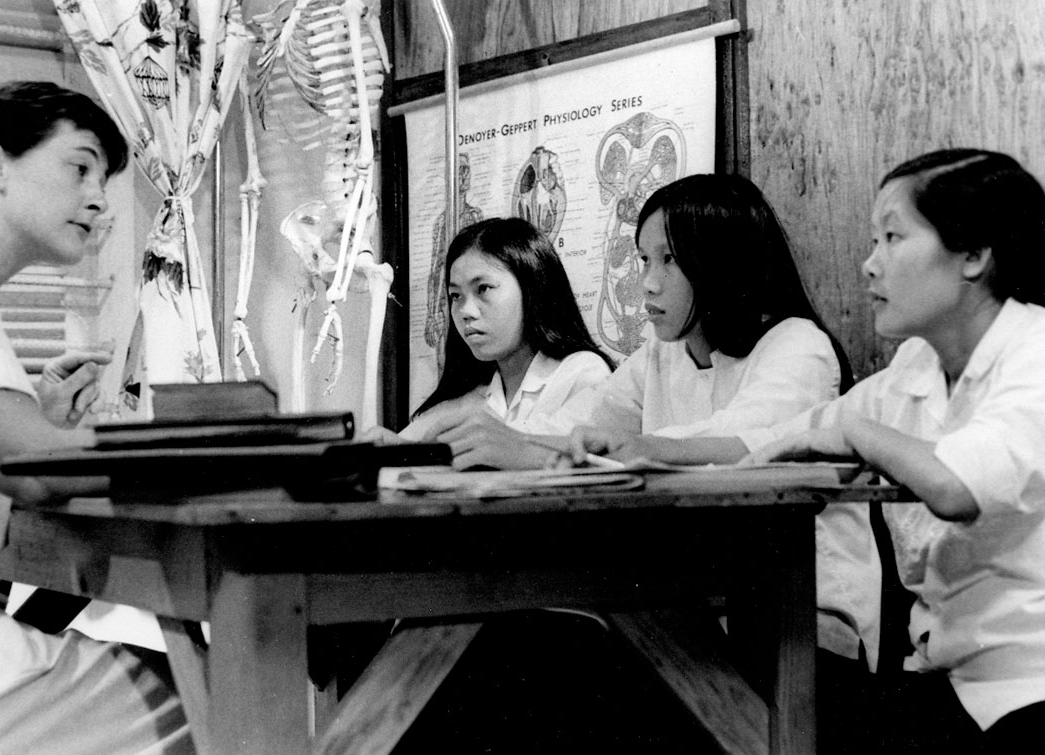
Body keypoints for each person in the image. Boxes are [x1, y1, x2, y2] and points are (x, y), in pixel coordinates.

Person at [399, 175, 874, 752]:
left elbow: (747, 441)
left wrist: (584, 450)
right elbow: (585, 435)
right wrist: (497, 446)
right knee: (502, 656)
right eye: (644, 258)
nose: (647, 281)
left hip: (799, 620)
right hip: (690, 613)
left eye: (668, 260)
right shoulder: (661, 353)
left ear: (721, 260)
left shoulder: (796, 344)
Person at [0, 81, 192, 753]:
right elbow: (28, 468)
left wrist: (36, 420)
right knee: (201, 700)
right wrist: (219, 447)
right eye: (81, 166)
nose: (99, 198)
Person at [730, 149, 1045, 753]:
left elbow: (954, 485)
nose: (870, 264)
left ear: (974, 256)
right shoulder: (917, 364)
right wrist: (640, 452)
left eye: (892, 237)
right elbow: (794, 432)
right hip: (946, 684)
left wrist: (855, 434)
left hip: (1027, 690)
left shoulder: (1035, 354)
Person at [382, 216, 614, 460]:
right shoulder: (468, 398)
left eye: (483, 288)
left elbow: (578, 466)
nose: (465, 312)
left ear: (532, 287)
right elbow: (399, 449)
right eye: (455, 296)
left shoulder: (582, 375)